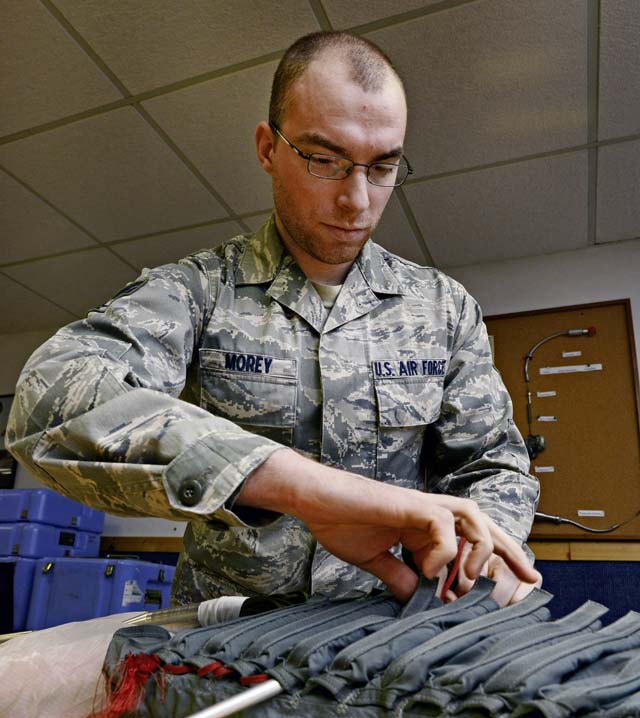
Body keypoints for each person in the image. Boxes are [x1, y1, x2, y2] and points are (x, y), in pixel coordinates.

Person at [7, 31, 540, 608]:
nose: (357, 200)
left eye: (382, 166)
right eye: (325, 160)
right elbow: (47, 398)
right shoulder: (199, 290)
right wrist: (309, 490)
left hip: (388, 629)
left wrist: (484, 547)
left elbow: (493, 462)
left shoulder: (443, 307)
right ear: (267, 149)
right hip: (227, 637)